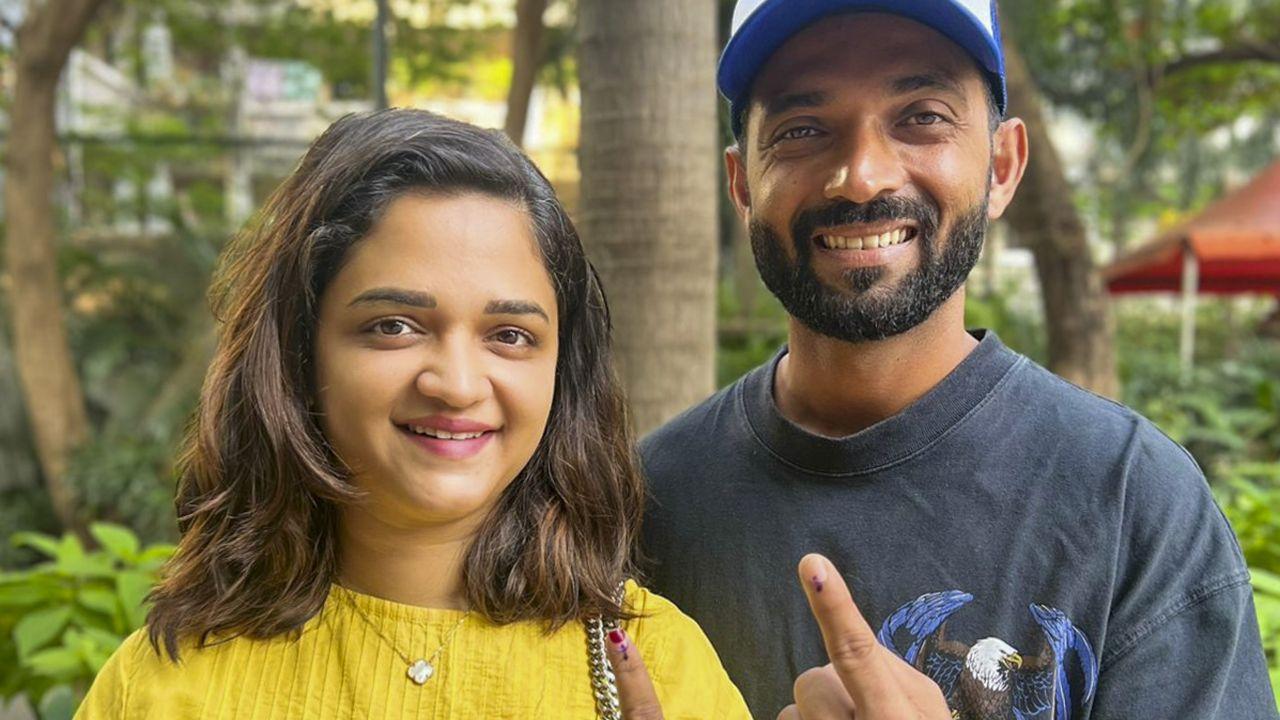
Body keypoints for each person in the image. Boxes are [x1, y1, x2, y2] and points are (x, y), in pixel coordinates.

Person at [639, 1, 1279, 718]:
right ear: (741, 184)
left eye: (922, 117)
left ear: (1001, 166)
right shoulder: (642, 501)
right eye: (802, 130)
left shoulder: (1135, 504)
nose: (862, 176)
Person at [75, 109, 749, 720]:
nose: (456, 385)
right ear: (299, 350)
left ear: (560, 372)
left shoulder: (658, 667)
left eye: (510, 335)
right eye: (395, 326)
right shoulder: (161, 687)